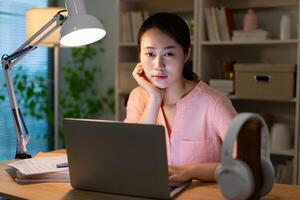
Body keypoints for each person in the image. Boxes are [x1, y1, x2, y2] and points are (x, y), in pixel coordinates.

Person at [124, 13, 237, 183]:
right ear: (140, 56)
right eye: (150, 54)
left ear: (186, 54)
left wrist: (192, 171)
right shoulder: (138, 97)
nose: (158, 65)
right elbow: (130, 156)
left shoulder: (214, 103)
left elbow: (247, 164)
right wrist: (154, 99)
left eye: (169, 54)